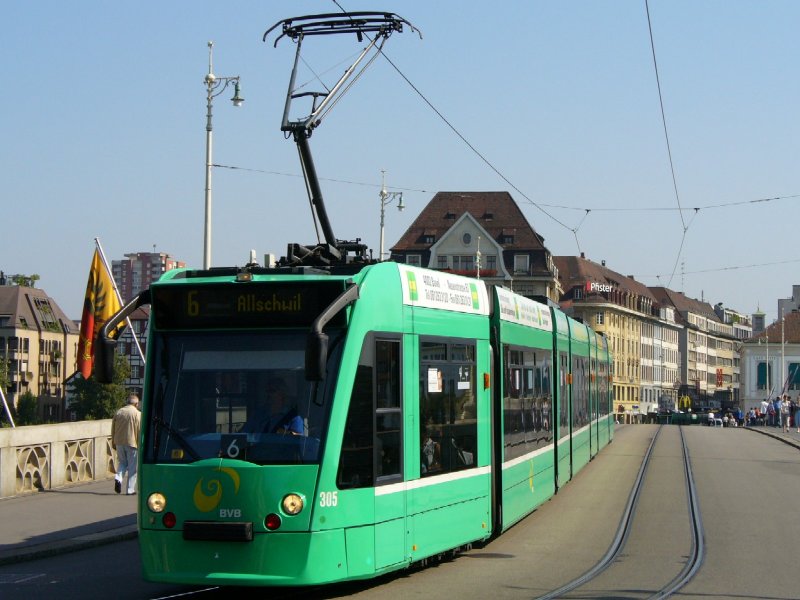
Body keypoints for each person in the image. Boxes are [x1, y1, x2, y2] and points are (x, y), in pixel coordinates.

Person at [111, 393, 141, 495]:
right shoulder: (137, 414)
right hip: (132, 442)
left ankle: (118, 478)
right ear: (136, 404)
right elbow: (139, 430)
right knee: (133, 467)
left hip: (119, 442)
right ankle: (130, 489)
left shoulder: (119, 412)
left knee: (122, 463)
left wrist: (113, 442)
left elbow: (113, 429)